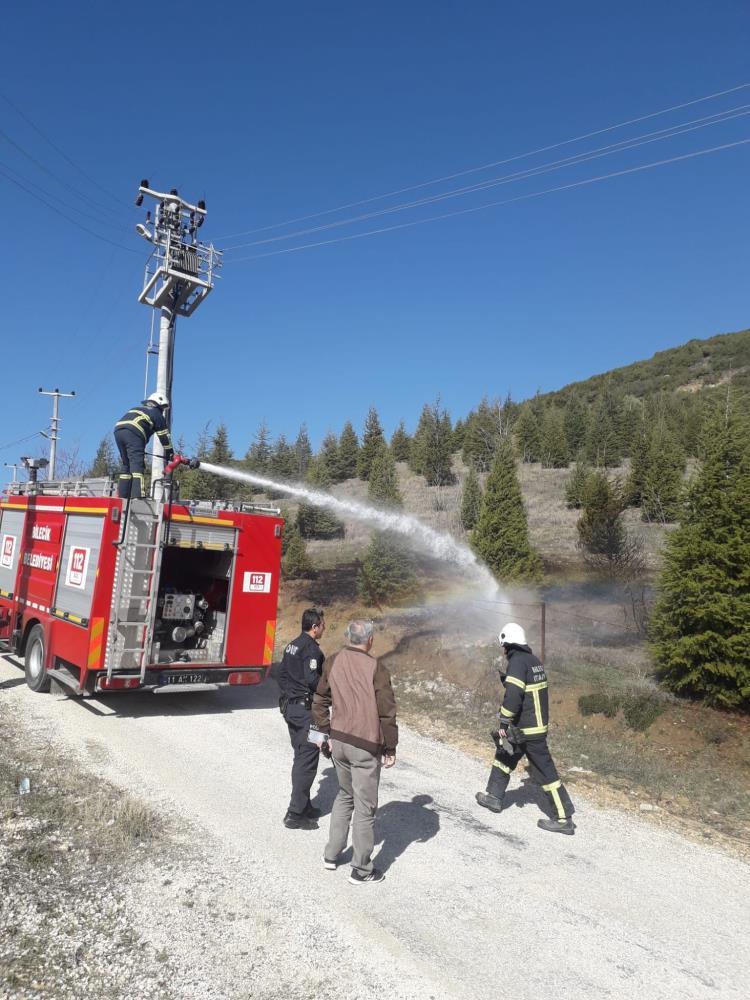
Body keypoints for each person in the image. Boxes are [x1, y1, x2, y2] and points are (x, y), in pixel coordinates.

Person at [312, 619, 398, 885]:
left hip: (338, 742)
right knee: (365, 807)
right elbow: (387, 710)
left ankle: (331, 855)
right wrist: (391, 746)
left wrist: (324, 730)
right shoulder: (376, 668)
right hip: (365, 745)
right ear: (369, 640)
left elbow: (319, 700)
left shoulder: (333, 661)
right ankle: (361, 869)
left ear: (348, 637)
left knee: (344, 795)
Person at [476, 622, 576, 835]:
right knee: (504, 756)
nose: (503, 651)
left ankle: (563, 818)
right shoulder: (533, 661)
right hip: (530, 727)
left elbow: (514, 696)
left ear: (507, 643)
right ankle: (493, 797)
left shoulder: (517, 662)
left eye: (503, 646)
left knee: (545, 771)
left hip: (527, 730)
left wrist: (503, 721)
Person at [277, 608, 326, 830]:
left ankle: (304, 804)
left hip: (292, 709)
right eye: (322, 624)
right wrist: (330, 691)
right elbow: (312, 679)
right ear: (314, 627)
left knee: (301, 755)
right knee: (307, 760)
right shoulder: (311, 649)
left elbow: (281, 675)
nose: (324, 628)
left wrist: (291, 696)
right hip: (307, 712)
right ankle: (295, 814)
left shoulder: (291, 645)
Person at [114, 392, 174, 499]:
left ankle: (123, 496)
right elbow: (164, 436)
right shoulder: (156, 414)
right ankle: (138, 495)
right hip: (134, 432)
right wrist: (170, 453)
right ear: (159, 404)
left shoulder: (138, 409)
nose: (163, 410)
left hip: (118, 431)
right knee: (137, 464)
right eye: (163, 407)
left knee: (126, 464)